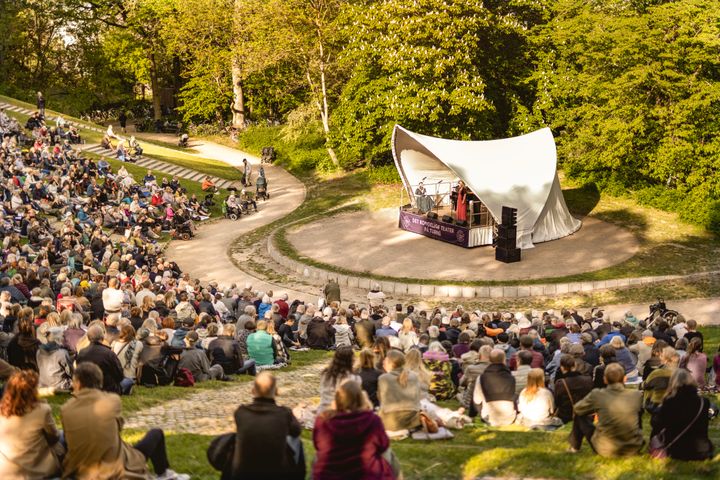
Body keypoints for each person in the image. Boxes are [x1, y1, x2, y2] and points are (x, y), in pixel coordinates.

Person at [61, 363, 189, 479]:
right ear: (99, 381)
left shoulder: (66, 409)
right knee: (156, 433)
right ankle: (164, 473)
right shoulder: (112, 401)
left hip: (82, 469)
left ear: (77, 383)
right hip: (113, 465)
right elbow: (118, 427)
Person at [223, 372, 304, 480]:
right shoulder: (284, 413)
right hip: (277, 472)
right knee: (296, 441)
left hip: (243, 473)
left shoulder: (241, 412)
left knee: (235, 438)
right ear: (276, 391)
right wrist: (294, 415)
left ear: (253, 391)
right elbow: (296, 431)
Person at [312, 380, 396, 480]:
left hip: (328, 474)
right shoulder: (372, 420)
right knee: (389, 455)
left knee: (317, 458)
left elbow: (317, 445)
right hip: (367, 474)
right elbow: (383, 445)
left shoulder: (323, 420)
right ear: (361, 399)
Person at [569, 363, 644, 456]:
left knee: (580, 416)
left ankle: (574, 447)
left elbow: (577, 409)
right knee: (638, 413)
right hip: (633, 447)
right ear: (625, 378)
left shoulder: (597, 395)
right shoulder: (636, 395)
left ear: (605, 379)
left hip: (605, 448)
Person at [0, 370, 62, 479]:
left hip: (7, 473)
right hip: (36, 472)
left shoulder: (2, 411)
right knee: (62, 436)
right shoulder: (42, 410)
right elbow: (54, 437)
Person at [654, 368, 714, 460]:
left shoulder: (670, 402)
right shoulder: (704, 402)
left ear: (673, 382)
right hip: (702, 451)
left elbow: (658, 424)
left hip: (676, 450)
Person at [377, 350, 422, 432]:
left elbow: (381, 400)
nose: (383, 361)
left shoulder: (383, 378)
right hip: (413, 421)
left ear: (391, 363)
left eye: (386, 359)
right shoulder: (414, 376)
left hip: (391, 422)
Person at [76, 325, 124, 394]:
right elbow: (119, 375)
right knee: (128, 381)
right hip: (107, 389)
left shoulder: (82, 352)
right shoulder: (109, 353)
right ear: (102, 337)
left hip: (87, 388)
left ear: (88, 337)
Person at [474, 349, 516, 426]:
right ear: (504, 360)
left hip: (489, 417)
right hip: (509, 417)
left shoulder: (481, 378)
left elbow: (477, 400)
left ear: (490, 360)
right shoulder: (512, 377)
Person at [318, 346, 361, 413]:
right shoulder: (353, 378)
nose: (355, 359)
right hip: (341, 413)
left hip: (323, 410)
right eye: (354, 356)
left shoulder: (326, 374)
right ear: (350, 360)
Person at [554, 354, 593, 424]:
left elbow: (557, 402)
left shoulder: (560, 384)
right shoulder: (588, 380)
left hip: (566, 417)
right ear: (574, 365)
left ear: (562, 367)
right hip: (585, 415)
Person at [36, 326, 73, 391]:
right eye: (63, 336)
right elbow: (70, 372)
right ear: (58, 338)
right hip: (59, 385)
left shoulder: (38, 351)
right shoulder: (62, 353)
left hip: (42, 384)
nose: (64, 338)